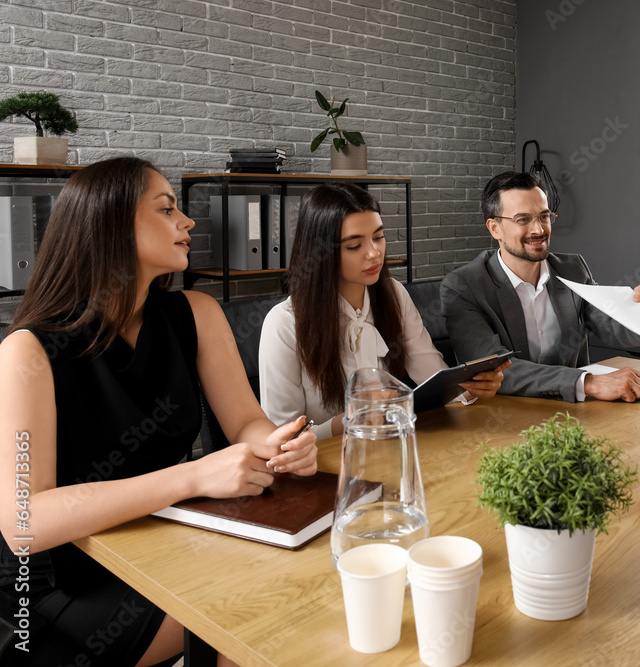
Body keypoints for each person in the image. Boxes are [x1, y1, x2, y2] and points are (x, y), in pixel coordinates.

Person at [0, 157, 318, 667]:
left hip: (165, 539)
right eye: (167, 209)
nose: (187, 222)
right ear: (109, 225)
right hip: (65, 580)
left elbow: (245, 423)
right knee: (254, 612)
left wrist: (275, 443)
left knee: (303, 573)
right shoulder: (29, 351)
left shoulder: (197, 313)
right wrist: (193, 477)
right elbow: (23, 520)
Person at [258, 183, 509, 440]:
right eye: (354, 245)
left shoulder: (394, 294)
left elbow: (432, 375)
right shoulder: (284, 324)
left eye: (378, 237)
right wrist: (348, 421)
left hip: (393, 449)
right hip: (324, 468)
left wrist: (469, 388)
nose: (374, 253)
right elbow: (283, 441)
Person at [441, 171, 640, 403]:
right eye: (523, 219)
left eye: (544, 216)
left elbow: (609, 325)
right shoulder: (464, 286)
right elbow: (493, 368)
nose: (539, 230)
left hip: (575, 411)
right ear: (495, 228)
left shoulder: (572, 268)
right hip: (503, 415)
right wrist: (588, 382)